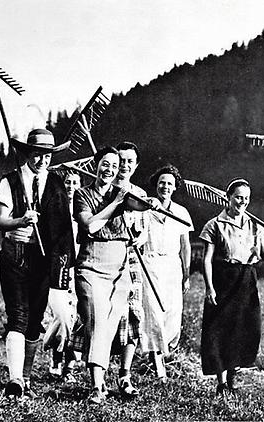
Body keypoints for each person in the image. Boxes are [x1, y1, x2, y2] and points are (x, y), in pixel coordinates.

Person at [0, 128, 74, 398]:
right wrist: (20, 221)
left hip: (44, 261)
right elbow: (0, 220)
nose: (43, 161)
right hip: (14, 255)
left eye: (47, 156)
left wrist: (62, 266)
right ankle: (15, 379)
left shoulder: (56, 184)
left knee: (35, 320)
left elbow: (65, 229)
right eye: (38, 154)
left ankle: (26, 379)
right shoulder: (10, 181)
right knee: (17, 316)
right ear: (28, 153)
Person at [199, 177, 264, 397]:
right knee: (219, 329)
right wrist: (209, 287)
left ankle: (232, 378)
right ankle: (220, 383)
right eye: (238, 197)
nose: (242, 202)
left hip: (246, 279)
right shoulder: (215, 224)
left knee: (243, 328)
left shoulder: (254, 224)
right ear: (228, 198)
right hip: (223, 278)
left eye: (246, 199)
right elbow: (207, 259)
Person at [73, 146, 133, 404]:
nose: (109, 170)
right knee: (96, 321)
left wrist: (146, 203)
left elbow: (141, 207)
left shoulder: (123, 193)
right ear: (95, 166)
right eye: (104, 164)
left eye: (114, 165)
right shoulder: (82, 194)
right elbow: (91, 225)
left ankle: (101, 380)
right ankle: (97, 387)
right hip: (91, 265)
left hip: (119, 268)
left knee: (108, 327)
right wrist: (116, 205)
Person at [140, 165, 193, 380]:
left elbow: (186, 245)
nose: (165, 187)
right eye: (162, 182)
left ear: (175, 187)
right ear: (156, 184)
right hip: (150, 262)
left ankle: (162, 353)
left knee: (172, 312)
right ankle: (157, 363)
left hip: (173, 266)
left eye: (170, 183)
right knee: (153, 313)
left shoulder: (181, 212)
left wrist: (187, 274)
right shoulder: (145, 208)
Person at [111, 141, 149, 398]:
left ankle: (124, 376)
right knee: (103, 317)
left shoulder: (139, 193)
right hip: (105, 259)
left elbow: (145, 229)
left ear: (135, 166)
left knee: (134, 316)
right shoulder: (104, 189)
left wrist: (140, 238)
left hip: (131, 260)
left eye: (129, 162)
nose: (124, 166)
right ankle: (95, 372)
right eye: (121, 161)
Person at [44, 172, 83, 382]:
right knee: (61, 315)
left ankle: (69, 365)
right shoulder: (54, 207)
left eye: (75, 182)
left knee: (77, 317)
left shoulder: (84, 209)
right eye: (67, 182)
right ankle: (56, 357)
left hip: (81, 268)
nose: (71, 186)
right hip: (58, 267)